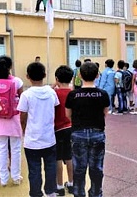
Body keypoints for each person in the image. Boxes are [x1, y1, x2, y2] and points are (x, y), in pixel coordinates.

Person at [65, 62, 109, 197]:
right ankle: (96, 193)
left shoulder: (73, 95)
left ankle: (79, 193)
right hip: (97, 132)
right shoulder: (103, 94)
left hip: (78, 132)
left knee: (79, 168)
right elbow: (105, 112)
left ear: (79, 75)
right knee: (96, 168)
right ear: (97, 75)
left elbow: (68, 115)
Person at [17, 62, 59, 197]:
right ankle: (51, 191)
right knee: (50, 167)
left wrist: (24, 131)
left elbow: (22, 117)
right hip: (49, 138)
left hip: (32, 139)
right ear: (45, 75)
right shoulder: (51, 92)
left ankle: (36, 193)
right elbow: (56, 108)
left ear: (27, 76)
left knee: (34, 170)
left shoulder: (26, 95)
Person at [0, 56, 24, 186]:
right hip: (14, 118)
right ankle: (16, 177)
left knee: (1, 149)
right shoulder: (17, 81)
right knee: (15, 149)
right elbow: (22, 99)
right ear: (10, 66)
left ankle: (3, 179)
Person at [53, 66, 74, 195]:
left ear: (56, 79)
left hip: (57, 128)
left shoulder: (54, 93)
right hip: (71, 127)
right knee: (70, 157)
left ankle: (59, 186)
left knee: (58, 158)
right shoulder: (73, 93)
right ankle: (71, 184)